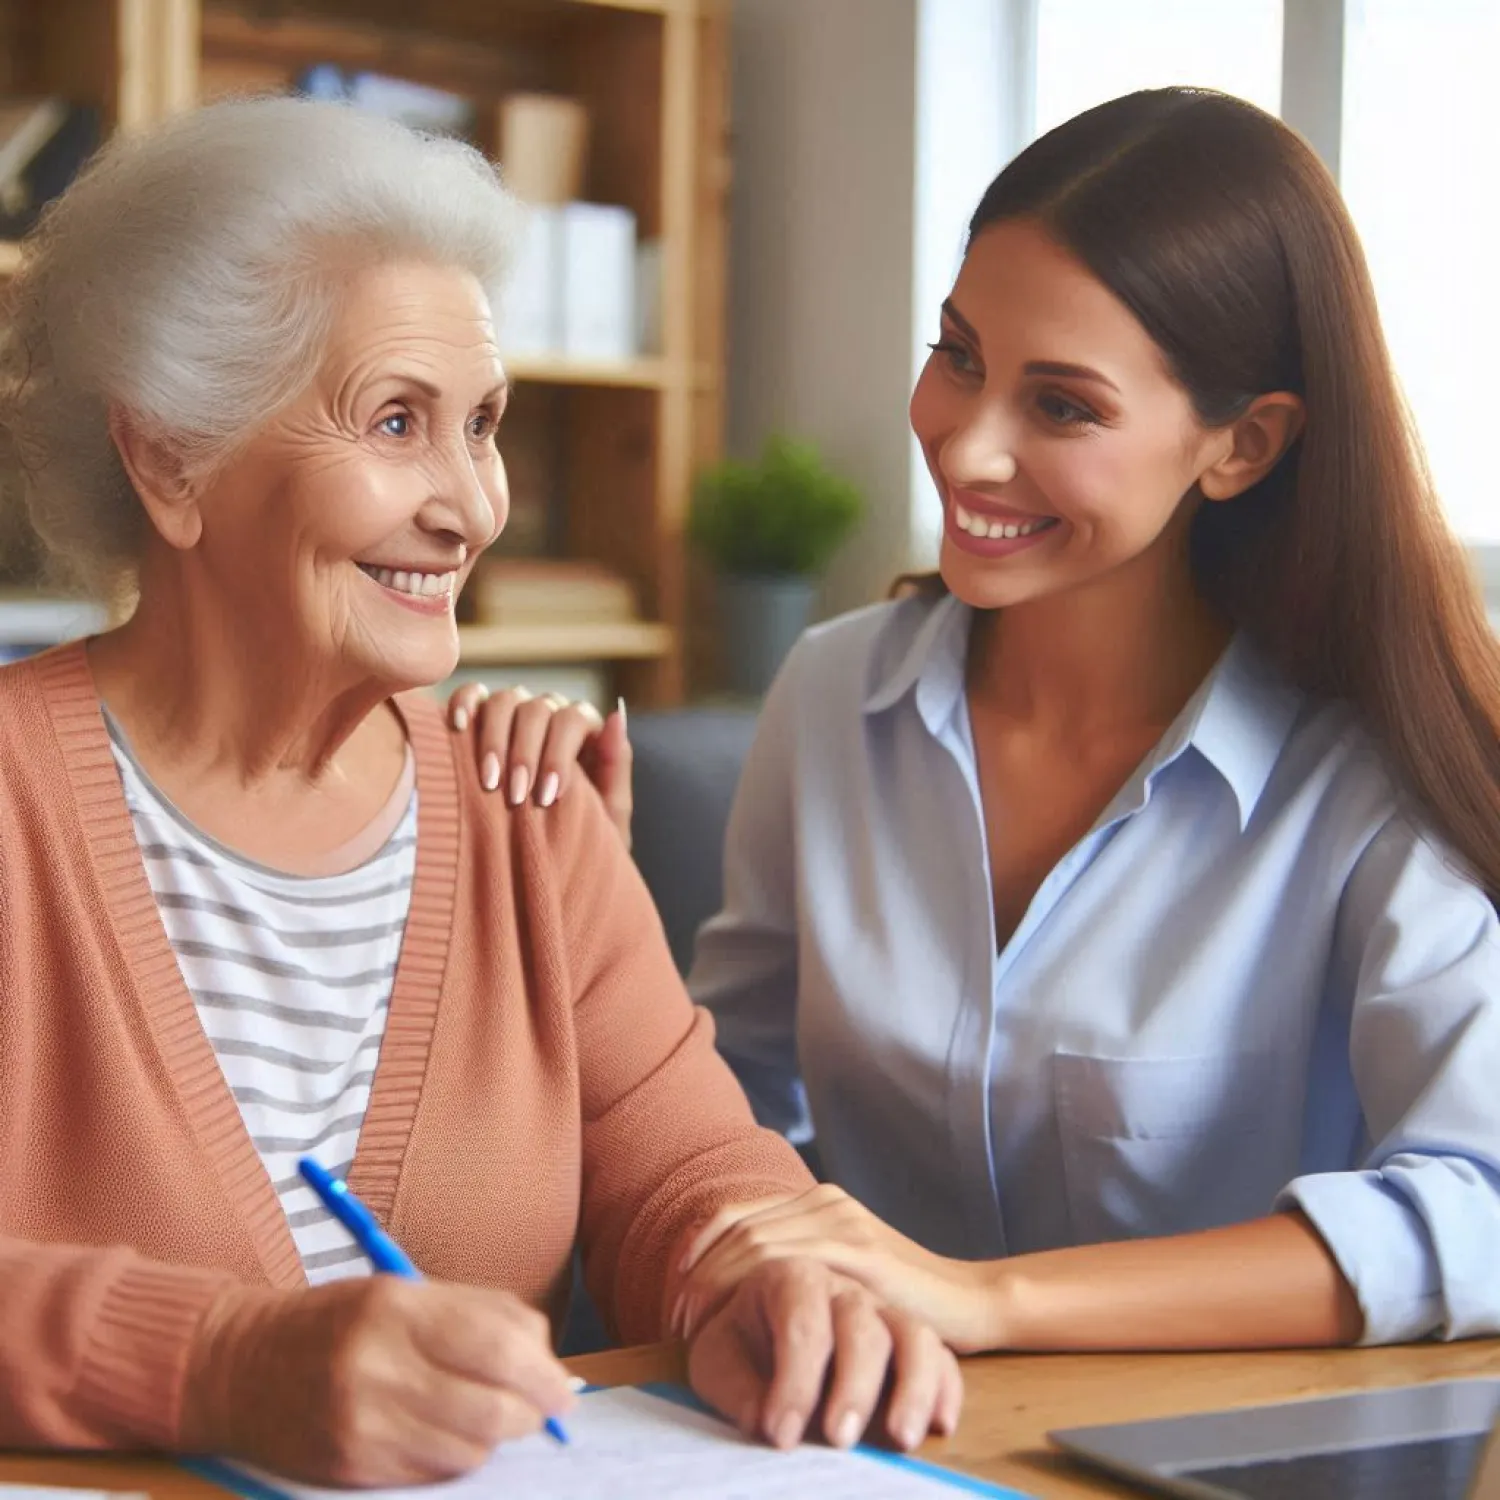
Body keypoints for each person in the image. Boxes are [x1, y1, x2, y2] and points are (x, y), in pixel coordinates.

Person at [0, 96, 962, 1484]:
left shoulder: (529, 811)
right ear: (170, 457)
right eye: (397, 422)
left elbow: (690, 1171)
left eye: (485, 425)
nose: (473, 505)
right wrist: (216, 1364)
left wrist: (763, 1278)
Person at [457, 88, 1500, 1357]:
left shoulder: (1368, 777)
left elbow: (1478, 1207)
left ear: (1243, 446)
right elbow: (725, 1125)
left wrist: (986, 1303)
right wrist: (584, 931)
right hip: (863, 1436)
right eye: (959, 357)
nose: (963, 448)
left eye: (1062, 406)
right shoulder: (834, 696)